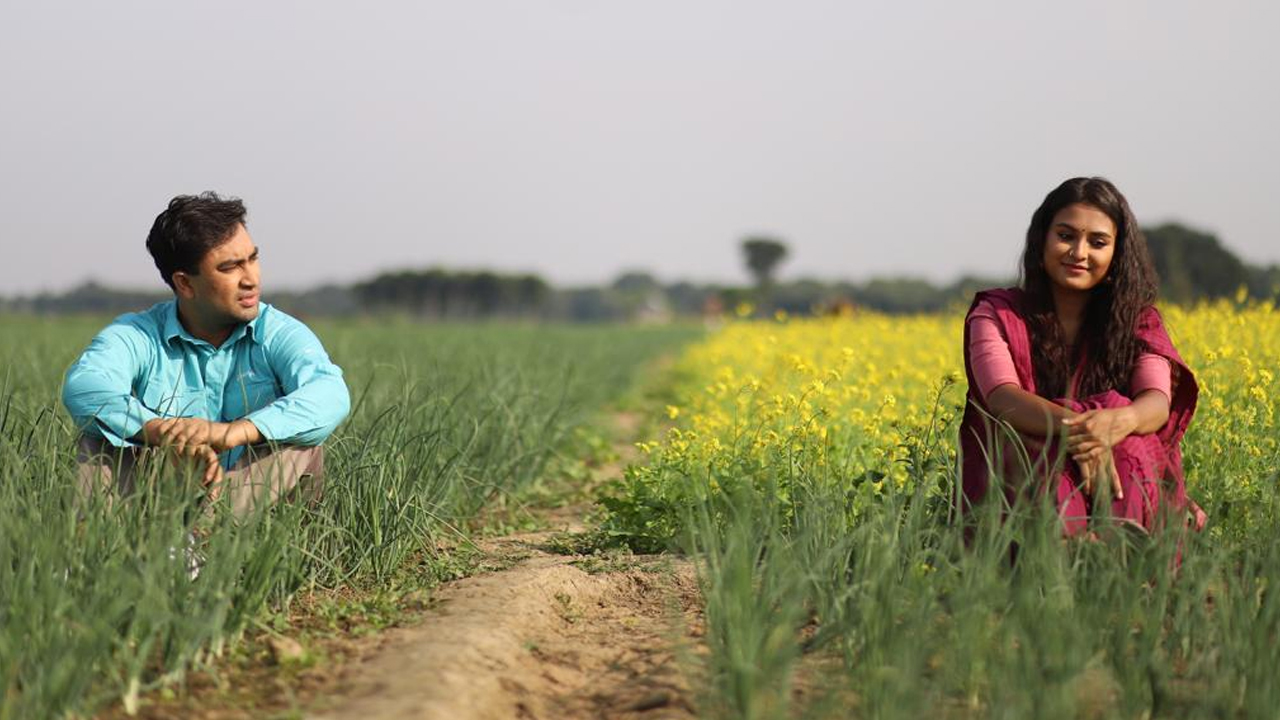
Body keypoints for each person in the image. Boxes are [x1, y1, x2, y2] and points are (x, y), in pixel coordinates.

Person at [64, 192, 351, 519]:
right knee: (100, 436)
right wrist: (161, 431)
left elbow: (330, 393)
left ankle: (202, 537)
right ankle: (97, 545)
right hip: (163, 497)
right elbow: (84, 386)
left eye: (252, 259)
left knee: (299, 437)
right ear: (185, 284)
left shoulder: (280, 332)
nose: (251, 279)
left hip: (259, 516)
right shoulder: (138, 335)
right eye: (230, 267)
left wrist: (233, 432)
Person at [958, 177, 1205, 536]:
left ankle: (1124, 552)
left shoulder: (1139, 322)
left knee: (1129, 435)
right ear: (1041, 239)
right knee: (1050, 449)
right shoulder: (996, 314)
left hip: (1118, 469)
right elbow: (1002, 397)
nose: (1079, 252)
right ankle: (1065, 550)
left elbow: (1156, 403)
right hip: (1027, 475)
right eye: (1066, 236)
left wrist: (1117, 422)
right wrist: (1087, 433)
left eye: (1098, 242)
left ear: (1117, 254)